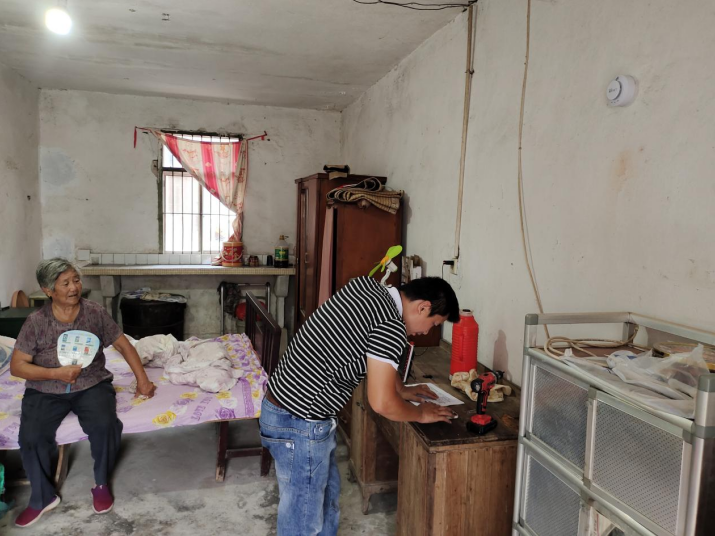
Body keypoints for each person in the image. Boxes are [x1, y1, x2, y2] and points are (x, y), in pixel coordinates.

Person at [260, 275, 460, 535]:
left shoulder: (367, 287)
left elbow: (371, 350)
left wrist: (401, 389)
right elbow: (382, 403)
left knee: (325, 503)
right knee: (303, 521)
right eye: (433, 324)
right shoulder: (391, 327)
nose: (426, 332)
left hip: (286, 409)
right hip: (299, 422)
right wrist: (421, 414)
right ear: (423, 307)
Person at [10, 258, 156, 528]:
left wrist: (143, 380)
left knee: (105, 425)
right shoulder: (36, 322)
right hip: (45, 389)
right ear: (48, 290)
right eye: (65, 283)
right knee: (31, 436)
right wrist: (56, 374)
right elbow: (17, 366)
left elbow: (123, 345)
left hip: (91, 383)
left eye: (76, 280)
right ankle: (42, 497)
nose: (74, 287)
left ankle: (101, 483)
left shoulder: (94, 312)